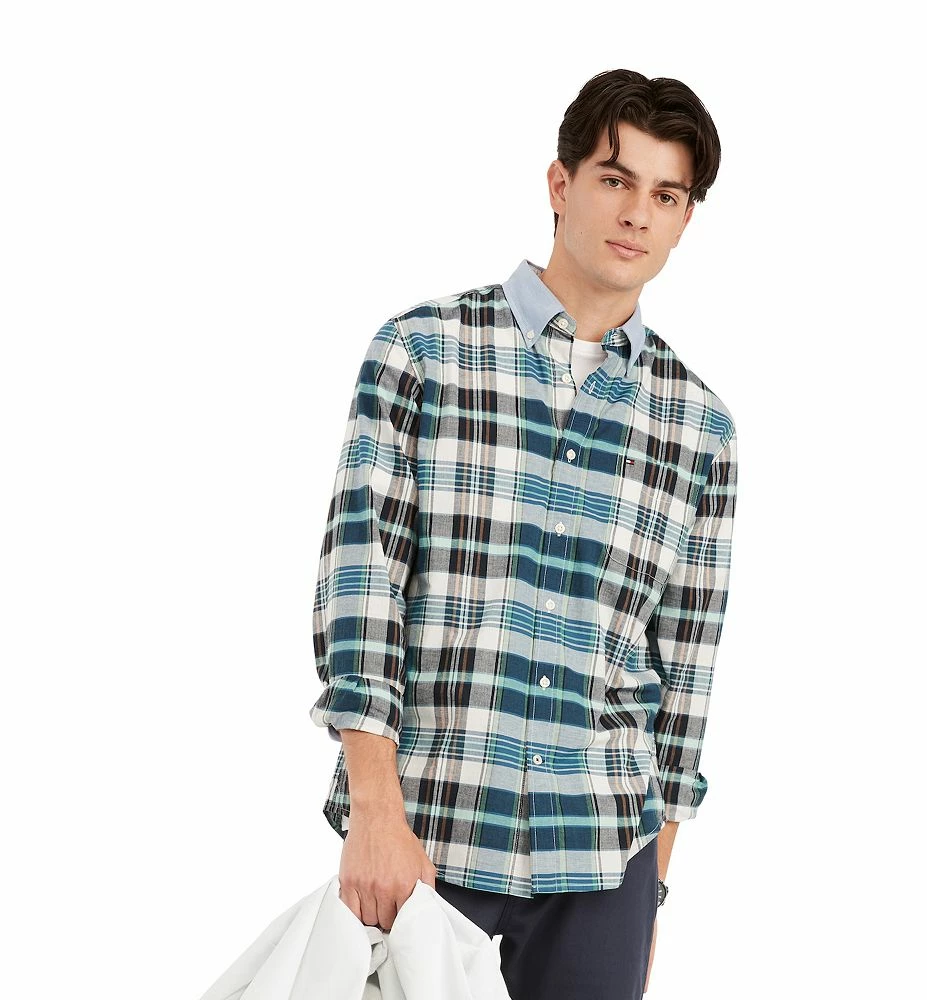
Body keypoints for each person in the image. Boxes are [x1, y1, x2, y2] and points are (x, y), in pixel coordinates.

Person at [310, 67, 737, 1000]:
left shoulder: (700, 428)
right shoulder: (423, 353)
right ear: (560, 183)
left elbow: (686, 679)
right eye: (615, 180)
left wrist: (652, 896)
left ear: (684, 219)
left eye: (666, 195)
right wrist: (374, 812)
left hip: (606, 865)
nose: (637, 214)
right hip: (429, 838)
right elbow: (361, 587)